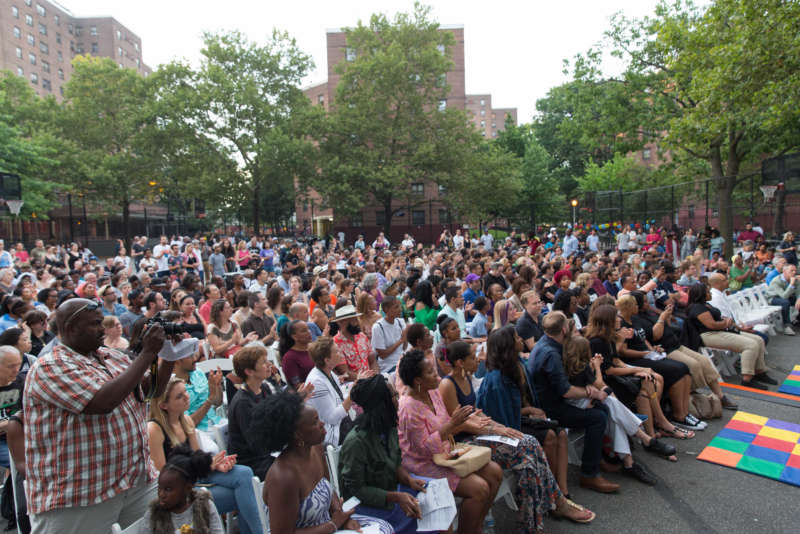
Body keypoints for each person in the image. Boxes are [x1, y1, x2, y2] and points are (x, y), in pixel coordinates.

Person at [23, 298, 174, 532]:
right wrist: (146, 353)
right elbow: (103, 401)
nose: (102, 329)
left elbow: (151, 390)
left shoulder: (109, 356)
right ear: (71, 328)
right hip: (79, 494)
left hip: (134, 480)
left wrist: (168, 357)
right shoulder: (49, 366)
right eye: (95, 324)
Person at [442, 340, 594, 531]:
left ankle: (532, 521)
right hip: (465, 442)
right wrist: (494, 429)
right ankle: (555, 502)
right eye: (472, 357)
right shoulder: (448, 385)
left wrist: (498, 426)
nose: (478, 360)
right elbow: (459, 423)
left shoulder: (466, 378)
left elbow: (476, 413)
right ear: (459, 362)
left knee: (528, 458)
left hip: (480, 433)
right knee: (527, 447)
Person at [397, 349, 503, 534]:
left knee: (495, 472)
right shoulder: (408, 408)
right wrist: (453, 424)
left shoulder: (432, 392)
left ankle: (476, 525)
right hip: (423, 464)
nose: (437, 375)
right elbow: (423, 449)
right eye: (430, 372)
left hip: (445, 453)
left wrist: (461, 420)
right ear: (417, 381)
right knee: (479, 489)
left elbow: (446, 422)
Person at [257, 391, 393, 534]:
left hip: (328, 524)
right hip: (323, 528)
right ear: (297, 434)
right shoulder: (283, 476)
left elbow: (328, 488)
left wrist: (344, 518)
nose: (322, 424)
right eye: (315, 421)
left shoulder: (316, 448)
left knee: (384, 528)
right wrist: (333, 524)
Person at [527, 311, 619, 493]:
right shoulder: (551, 353)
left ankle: (596, 457)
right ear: (563, 330)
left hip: (551, 400)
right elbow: (566, 391)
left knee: (601, 408)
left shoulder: (544, 343)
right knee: (597, 417)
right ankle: (589, 474)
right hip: (551, 408)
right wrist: (589, 392)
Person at [562, 335, 661, 485]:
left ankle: (629, 462)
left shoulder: (568, 366)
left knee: (613, 413)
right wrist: (596, 367)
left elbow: (598, 389)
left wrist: (595, 385)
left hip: (582, 401)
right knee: (611, 403)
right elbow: (602, 387)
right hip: (577, 404)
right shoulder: (582, 369)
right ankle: (643, 437)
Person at [338, 375, 428, 534]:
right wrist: (395, 497)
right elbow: (356, 490)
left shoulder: (389, 427)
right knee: (418, 518)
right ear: (382, 404)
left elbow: (394, 463)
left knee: (433, 501)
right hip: (366, 505)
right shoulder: (356, 442)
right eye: (393, 396)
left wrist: (408, 479)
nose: (398, 398)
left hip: (392, 491)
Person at [630, 290, 736, 409]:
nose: (648, 304)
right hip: (665, 349)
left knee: (704, 361)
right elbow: (655, 335)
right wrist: (662, 318)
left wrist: (666, 315)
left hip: (675, 343)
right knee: (694, 365)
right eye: (644, 302)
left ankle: (720, 395)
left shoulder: (649, 312)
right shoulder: (636, 319)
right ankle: (692, 397)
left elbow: (666, 323)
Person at [615, 295, 701, 431]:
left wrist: (653, 350)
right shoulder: (621, 324)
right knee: (675, 371)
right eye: (636, 305)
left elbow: (644, 340)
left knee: (684, 368)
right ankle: (678, 415)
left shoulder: (635, 319)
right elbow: (623, 352)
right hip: (635, 359)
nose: (638, 307)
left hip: (647, 355)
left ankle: (685, 412)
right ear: (629, 307)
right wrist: (645, 354)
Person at [686, 283, 774, 390]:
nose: (710, 293)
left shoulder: (706, 304)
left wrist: (741, 328)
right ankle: (747, 378)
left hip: (719, 331)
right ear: (701, 294)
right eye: (708, 292)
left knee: (759, 340)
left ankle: (759, 371)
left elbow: (723, 319)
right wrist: (725, 323)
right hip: (709, 335)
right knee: (751, 345)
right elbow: (712, 325)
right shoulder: (697, 308)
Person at [228, 345, 286, 480]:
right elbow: (256, 443)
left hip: (268, 452)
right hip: (251, 461)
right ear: (249, 371)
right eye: (264, 363)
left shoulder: (264, 388)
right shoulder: (242, 402)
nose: (269, 365)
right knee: (293, 465)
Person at [140, 444, 225, 534]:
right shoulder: (154, 514)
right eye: (159, 487)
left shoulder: (204, 506)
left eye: (168, 489)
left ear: (188, 488)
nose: (161, 494)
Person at [305, 336, 370, 446]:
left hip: (343, 423)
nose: (340, 354)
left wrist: (357, 383)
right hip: (334, 434)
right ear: (327, 360)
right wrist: (354, 390)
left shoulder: (328, 372)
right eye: (336, 352)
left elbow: (340, 398)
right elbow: (332, 418)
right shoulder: (317, 382)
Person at [333, 304, 378, 376]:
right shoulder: (335, 343)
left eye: (356, 319)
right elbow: (345, 372)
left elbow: (372, 361)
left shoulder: (362, 336)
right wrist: (364, 378)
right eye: (353, 320)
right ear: (341, 322)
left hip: (370, 379)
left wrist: (376, 375)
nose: (357, 322)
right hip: (354, 383)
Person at [371, 296, 408, 374]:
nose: (400, 309)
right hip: (389, 367)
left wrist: (405, 338)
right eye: (396, 307)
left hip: (403, 361)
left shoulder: (400, 322)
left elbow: (404, 348)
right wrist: (401, 340)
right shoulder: (378, 327)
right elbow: (382, 355)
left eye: (400, 306)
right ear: (386, 310)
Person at [765, 263, 800, 334]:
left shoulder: (795, 279)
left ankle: (798, 319)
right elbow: (784, 296)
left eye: (795, 271)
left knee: (795, 300)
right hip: (773, 298)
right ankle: (787, 326)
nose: (794, 272)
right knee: (785, 302)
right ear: (784, 272)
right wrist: (791, 284)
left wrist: (799, 299)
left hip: (788, 297)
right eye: (791, 271)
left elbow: (798, 292)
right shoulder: (776, 281)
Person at [279, 320, 315, 387]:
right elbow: (297, 385)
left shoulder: (314, 348)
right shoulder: (289, 358)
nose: (309, 332)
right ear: (294, 337)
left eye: (308, 329)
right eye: (304, 331)